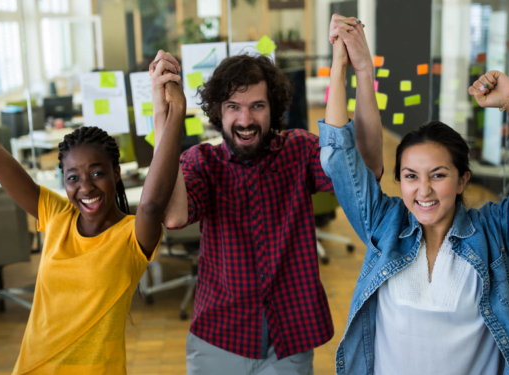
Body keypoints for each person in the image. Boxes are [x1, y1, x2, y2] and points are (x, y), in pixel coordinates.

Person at [0, 29, 187, 374]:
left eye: (97, 173)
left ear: (116, 173)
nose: (86, 188)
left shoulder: (132, 237)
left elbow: (152, 205)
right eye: (73, 178)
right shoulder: (56, 214)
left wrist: (175, 111)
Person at [320, 21, 509, 375]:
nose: (424, 191)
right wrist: (343, 65)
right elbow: (339, 156)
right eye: (411, 176)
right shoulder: (383, 225)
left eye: (439, 175)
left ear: (463, 180)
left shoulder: (495, 234)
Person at [148, 14, 383, 375]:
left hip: (290, 338)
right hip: (220, 338)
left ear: (273, 108)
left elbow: (364, 169)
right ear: (218, 112)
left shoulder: (298, 150)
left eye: (257, 105)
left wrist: (362, 72)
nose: (245, 119)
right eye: (233, 107)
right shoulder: (201, 161)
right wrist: (163, 111)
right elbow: (175, 216)